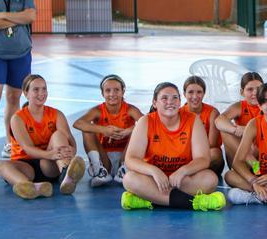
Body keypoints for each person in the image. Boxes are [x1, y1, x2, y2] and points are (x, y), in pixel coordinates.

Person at [120, 82, 225, 211]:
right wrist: (154, 171)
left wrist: (183, 171)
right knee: (129, 179)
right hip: (154, 180)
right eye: (164, 98)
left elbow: (203, 159)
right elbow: (131, 159)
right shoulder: (146, 122)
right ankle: (191, 203)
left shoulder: (193, 120)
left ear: (180, 102)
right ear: (154, 103)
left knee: (210, 179)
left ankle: (151, 199)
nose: (170, 101)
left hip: (182, 180)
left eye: (175, 98)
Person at [0, 74, 85, 199]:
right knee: (2, 166)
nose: (41, 93)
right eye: (36, 89)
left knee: (59, 135)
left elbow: (69, 139)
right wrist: (50, 154)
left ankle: (66, 174)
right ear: (26, 93)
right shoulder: (17, 118)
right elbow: (27, 148)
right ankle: (31, 187)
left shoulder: (56, 114)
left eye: (44, 89)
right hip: (25, 166)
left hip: (48, 166)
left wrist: (72, 151)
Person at [0, 0, 37, 158]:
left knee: (14, 98)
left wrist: (2, 16)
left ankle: (10, 142)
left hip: (20, 53)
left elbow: (31, 16)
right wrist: (18, 19)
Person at [72, 74, 143, 186]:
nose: (112, 94)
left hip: (126, 156)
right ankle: (99, 170)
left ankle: (125, 169)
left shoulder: (130, 109)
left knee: (140, 130)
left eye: (116, 90)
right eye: (108, 90)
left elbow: (148, 124)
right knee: (86, 128)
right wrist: (104, 130)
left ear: (123, 92)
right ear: (102, 93)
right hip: (105, 157)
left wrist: (128, 131)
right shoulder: (98, 110)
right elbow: (78, 123)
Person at [214, 71, 263, 167]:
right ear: (242, 92)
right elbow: (218, 120)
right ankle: (253, 164)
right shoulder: (240, 106)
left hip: (262, 156)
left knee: (230, 177)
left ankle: (256, 170)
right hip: (241, 160)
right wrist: (235, 129)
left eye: (259, 89)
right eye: (250, 89)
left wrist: (247, 131)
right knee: (225, 130)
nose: (255, 93)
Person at [180, 76, 224, 173]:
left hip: (205, 155)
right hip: (184, 156)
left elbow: (212, 144)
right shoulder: (178, 113)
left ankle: (187, 172)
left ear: (204, 93)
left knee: (215, 154)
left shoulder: (212, 113)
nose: (195, 96)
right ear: (184, 94)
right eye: (190, 92)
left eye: (199, 92)